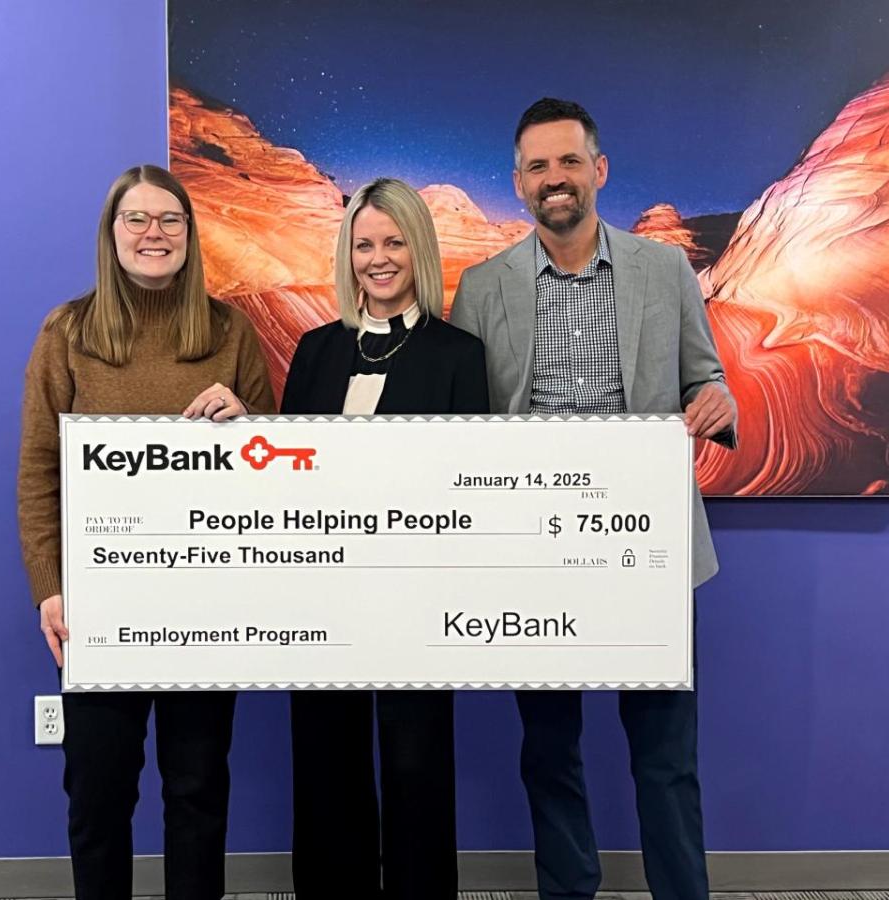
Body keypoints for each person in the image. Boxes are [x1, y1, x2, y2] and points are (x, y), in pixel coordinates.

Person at [450, 99, 738, 900]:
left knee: (666, 757)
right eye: (538, 166)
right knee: (549, 750)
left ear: (599, 171)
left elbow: (705, 376)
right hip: (533, 560)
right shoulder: (481, 287)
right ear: (518, 183)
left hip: (647, 556)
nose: (555, 179)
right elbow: (463, 423)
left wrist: (720, 405)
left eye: (569, 162)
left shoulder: (664, 269)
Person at [17, 164, 275, 900]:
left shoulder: (230, 331)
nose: (153, 234)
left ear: (191, 236)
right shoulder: (67, 331)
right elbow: (39, 470)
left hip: (205, 603)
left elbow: (278, 469)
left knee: (197, 792)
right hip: (101, 606)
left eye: (169, 220)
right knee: (98, 796)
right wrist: (50, 591)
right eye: (136, 219)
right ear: (111, 234)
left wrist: (250, 423)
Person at [282, 177, 488, 899]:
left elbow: (470, 488)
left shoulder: (459, 356)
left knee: (416, 771)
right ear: (348, 254)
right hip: (323, 603)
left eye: (394, 241)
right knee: (326, 767)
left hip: (416, 602)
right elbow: (287, 481)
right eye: (365, 244)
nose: (379, 258)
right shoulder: (313, 353)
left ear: (419, 250)